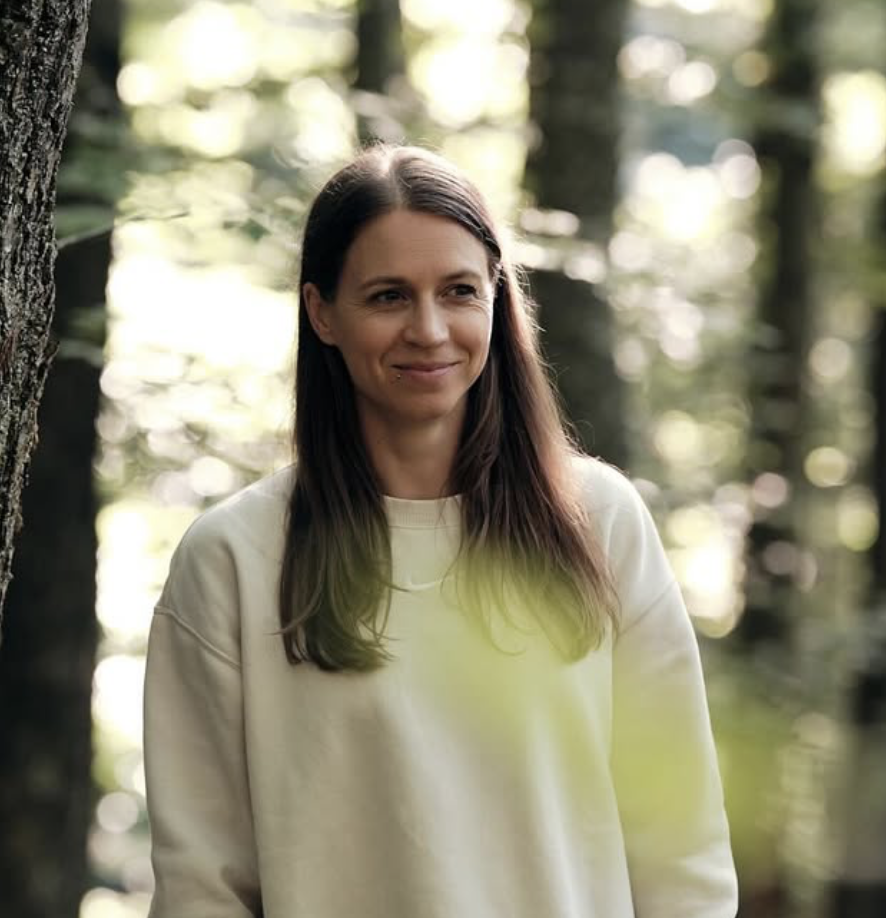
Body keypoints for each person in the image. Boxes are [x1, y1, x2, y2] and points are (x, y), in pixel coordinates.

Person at [143, 144, 738, 917]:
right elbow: (203, 888)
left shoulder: (600, 523)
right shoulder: (234, 558)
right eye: (389, 296)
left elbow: (682, 850)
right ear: (322, 312)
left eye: (458, 291)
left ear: (495, 295)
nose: (429, 330)